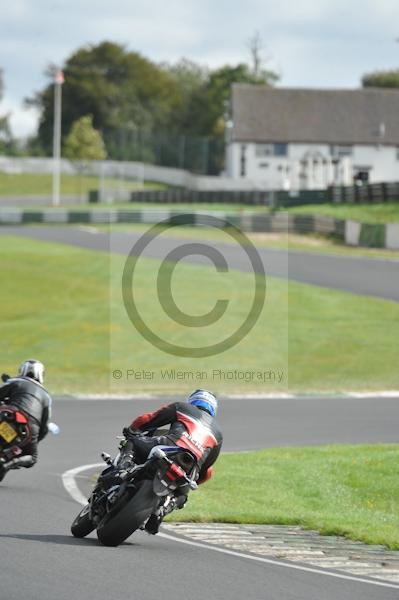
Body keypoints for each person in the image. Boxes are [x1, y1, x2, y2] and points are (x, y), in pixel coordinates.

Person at [98, 389, 223, 535]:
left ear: (193, 401)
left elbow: (148, 418)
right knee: (182, 494)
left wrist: (132, 430)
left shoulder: (182, 407)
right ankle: (166, 507)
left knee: (132, 442)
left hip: (169, 446)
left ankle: (122, 470)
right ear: (213, 409)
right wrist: (195, 479)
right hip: (190, 466)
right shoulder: (218, 434)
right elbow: (208, 469)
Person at [0, 359, 52, 479]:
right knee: (32, 457)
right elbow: (44, 428)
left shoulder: (15, 381)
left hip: (10, 415)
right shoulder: (46, 397)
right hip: (29, 429)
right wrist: (33, 442)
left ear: (22, 371)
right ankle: (7, 463)